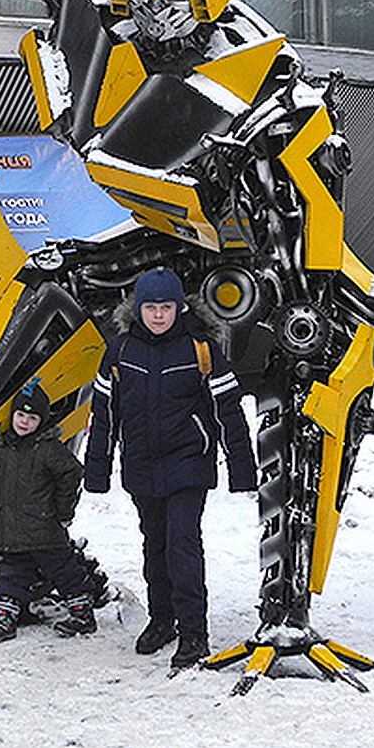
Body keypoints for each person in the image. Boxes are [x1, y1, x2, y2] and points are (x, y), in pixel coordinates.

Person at [85, 267, 257, 671]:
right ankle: (162, 620)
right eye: (151, 307)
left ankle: (194, 633)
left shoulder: (202, 349)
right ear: (138, 308)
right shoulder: (120, 350)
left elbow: (228, 411)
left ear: (180, 308)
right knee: (154, 544)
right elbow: (103, 413)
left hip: (187, 463)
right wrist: (97, 469)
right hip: (141, 464)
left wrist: (241, 467)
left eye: (166, 307)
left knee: (182, 544)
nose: (159, 315)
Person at [0, 381, 96, 644]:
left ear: (41, 421)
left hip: (45, 531)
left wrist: (63, 510)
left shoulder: (48, 448)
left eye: (32, 418)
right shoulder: (5, 450)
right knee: (11, 577)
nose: (25, 422)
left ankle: (82, 613)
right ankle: (5, 620)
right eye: (20, 415)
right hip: (12, 532)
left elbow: (72, 472)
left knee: (65, 572)